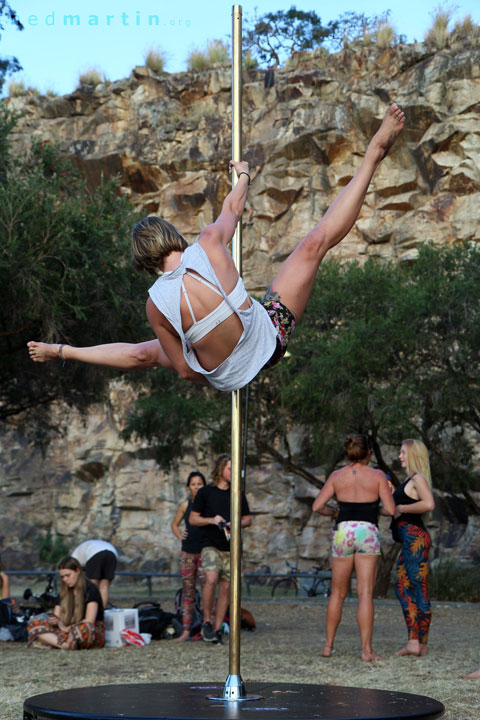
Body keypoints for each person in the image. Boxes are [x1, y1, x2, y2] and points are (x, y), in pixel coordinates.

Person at [28, 104, 406, 393]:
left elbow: (183, 370)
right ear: (171, 234)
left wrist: (217, 363)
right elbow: (233, 208)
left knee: (145, 353)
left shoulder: (155, 304)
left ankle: (60, 350)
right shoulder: (208, 242)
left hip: (230, 374)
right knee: (314, 244)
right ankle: (373, 153)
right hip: (268, 339)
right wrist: (241, 176)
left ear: (142, 262)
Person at [312, 434, 395, 662]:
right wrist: (377, 504)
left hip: (343, 530)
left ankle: (328, 647)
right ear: (369, 452)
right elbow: (390, 509)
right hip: (366, 530)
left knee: (338, 593)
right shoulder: (377, 475)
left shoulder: (337, 475)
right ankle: (366, 651)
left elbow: (317, 505)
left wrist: (334, 512)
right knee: (365, 593)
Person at [189, 454, 252, 642]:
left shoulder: (237, 493)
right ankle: (206, 621)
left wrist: (236, 523)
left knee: (226, 588)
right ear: (220, 469)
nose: (233, 473)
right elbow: (193, 519)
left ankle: (217, 629)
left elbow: (248, 519)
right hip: (210, 545)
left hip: (231, 548)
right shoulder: (205, 493)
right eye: (230, 468)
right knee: (211, 577)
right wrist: (211, 520)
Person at [392, 439, 435, 657]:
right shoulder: (410, 480)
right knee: (402, 587)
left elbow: (428, 504)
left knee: (418, 589)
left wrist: (402, 506)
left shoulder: (418, 478)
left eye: (402, 452)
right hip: (410, 539)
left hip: (415, 539)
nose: (399, 456)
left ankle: (419, 643)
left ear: (413, 455)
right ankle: (415, 642)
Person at [27, 556, 105, 650]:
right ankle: (65, 645)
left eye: (68, 575)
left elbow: (89, 621)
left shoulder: (91, 589)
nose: (65, 580)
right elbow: (57, 616)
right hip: (65, 629)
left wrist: (66, 628)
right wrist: (56, 622)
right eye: (62, 577)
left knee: (84, 628)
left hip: (87, 631)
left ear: (77, 571)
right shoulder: (64, 591)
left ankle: (55, 642)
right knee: (33, 622)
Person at [171, 470, 207, 642]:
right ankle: (186, 631)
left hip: (206, 553)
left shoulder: (209, 505)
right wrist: (179, 535)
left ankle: (211, 627)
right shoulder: (185, 505)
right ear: (189, 487)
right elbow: (174, 524)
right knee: (188, 593)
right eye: (193, 484)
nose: (196, 487)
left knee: (208, 590)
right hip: (187, 553)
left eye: (200, 483)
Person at [71, 539, 118, 608]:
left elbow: (72, 571)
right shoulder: (83, 549)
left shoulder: (74, 556)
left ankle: (90, 610)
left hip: (94, 553)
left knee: (92, 585)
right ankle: (103, 611)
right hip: (112, 553)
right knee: (104, 586)